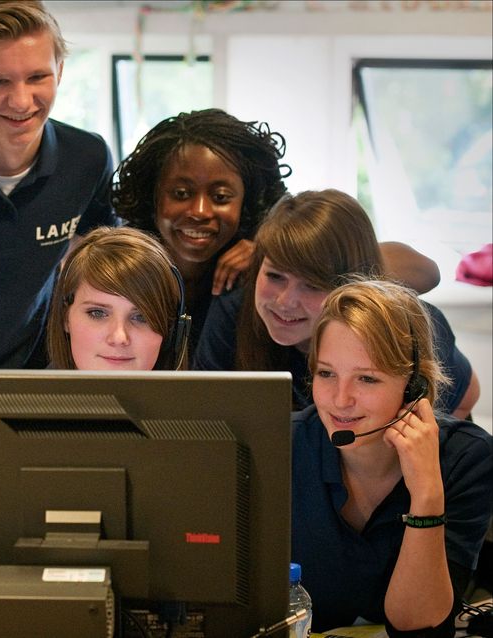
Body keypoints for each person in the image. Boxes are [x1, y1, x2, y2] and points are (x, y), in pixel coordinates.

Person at [111, 109, 440, 353]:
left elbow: (426, 272)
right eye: (180, 194)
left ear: (248, 200)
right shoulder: (127, 265)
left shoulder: (266, 263)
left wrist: (286, 261)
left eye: (221, 197)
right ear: (153, 197)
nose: (199, 211)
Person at [291, 277, 492, 634]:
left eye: (367, 379)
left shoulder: (466, 458)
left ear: (414, 386)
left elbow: (416, 624)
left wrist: (427, 494)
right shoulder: (285, 445)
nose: (340, 399)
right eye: (326, 373)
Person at [0, 0, 119, 370]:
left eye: (37, 78)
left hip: (42, 376)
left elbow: (109, 261)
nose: (21, 101)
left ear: (60, 71)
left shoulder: (87, 158)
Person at [193, 189, 479, 418]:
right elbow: (206, 420)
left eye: (313, 285)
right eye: (275, 276)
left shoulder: (405, 329)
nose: (285, 300)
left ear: (349, 286)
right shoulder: (233, 314)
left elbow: (468, 393)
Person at [46, 226, 189, 371]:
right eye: (97, 313)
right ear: (65, 317)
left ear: (172, 331)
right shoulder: (24, 394)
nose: (119, 338)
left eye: (141, 317)